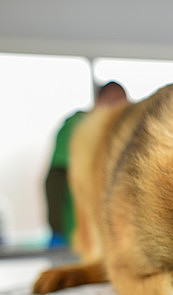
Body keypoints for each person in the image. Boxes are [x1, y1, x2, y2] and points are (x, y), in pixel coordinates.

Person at [44, 81, 127, 247]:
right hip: (75, 232)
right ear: (99, 102)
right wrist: (56, 228)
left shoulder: (119, 133)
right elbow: (55, 179)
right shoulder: (77, 125)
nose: (117, 110)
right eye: (113, 102)